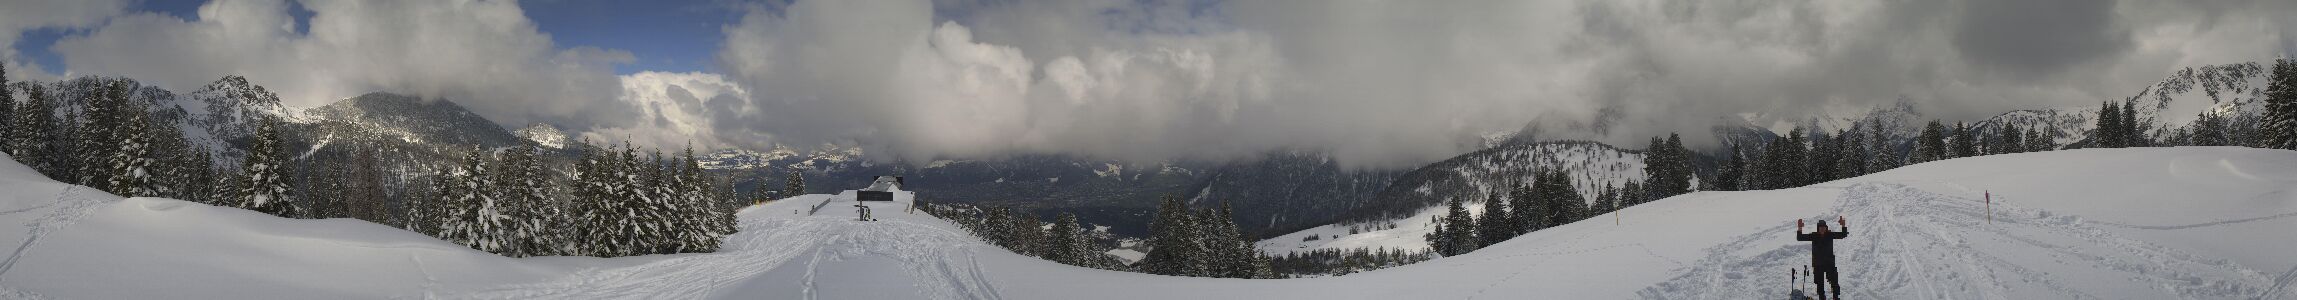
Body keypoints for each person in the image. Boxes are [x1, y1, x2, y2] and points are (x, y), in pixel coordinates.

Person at [1796, 217, 1850, 300]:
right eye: (1820, 227)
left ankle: (1836, 297)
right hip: (1818, 264)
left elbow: (1843, 235)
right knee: (1819, 283)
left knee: (1834, 282)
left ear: (1826, 228)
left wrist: (1843, 225)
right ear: (1818, 228)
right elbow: (1800, 238)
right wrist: (1800, 228)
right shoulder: (1814, 235)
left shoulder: (1830, 235)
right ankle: (1822, 297)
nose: (1822, 229)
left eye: (1823, 227)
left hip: (1830, 263)